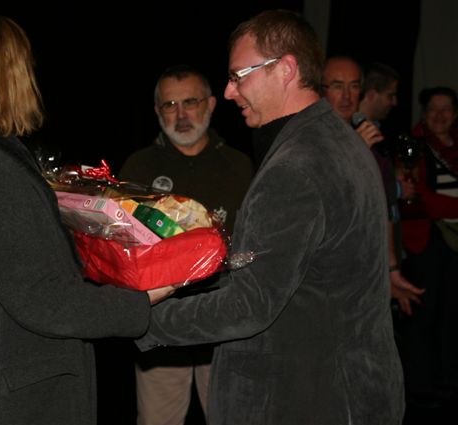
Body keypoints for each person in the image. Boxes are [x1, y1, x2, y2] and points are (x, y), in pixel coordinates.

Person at [135, 10, 405, 424]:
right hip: (353, 388)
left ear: (285, 69)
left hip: (307, 399)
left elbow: (249, 305)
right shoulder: (338, 142)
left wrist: (137, 318)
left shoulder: (295, 167)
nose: (229, 92)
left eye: (238, 76)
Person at [0, 11, 173, 425]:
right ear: (4, 74)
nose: (31, 76)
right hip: (5, 398)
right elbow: (43, 300)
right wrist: (142, 299)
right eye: (25, 65)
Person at [120, 64, 253, 425]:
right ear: (156, 111)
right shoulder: (138, 167)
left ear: (211, 104)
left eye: (190, 102)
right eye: (170, 105)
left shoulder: (239, 165)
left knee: (231, 417)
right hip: (162, 323)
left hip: (225, 321)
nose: (180, 115)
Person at [321, 55, 423, 315]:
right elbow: (324, 202)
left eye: (354, 86)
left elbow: (383, 208)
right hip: (327, 273)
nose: (347, 96)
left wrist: (391, 269)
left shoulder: (365, 135)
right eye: (337, 86)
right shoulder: (311, 138)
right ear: (320, 91)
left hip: (366, 268)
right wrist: (355, 153)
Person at [396, 86, 458, 408]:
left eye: (446, 109)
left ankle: (448, 381)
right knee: (424, 314)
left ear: (455, 114)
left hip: (454, 244)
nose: (440, 115)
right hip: (426, 242)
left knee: (453, 314)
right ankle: (420, 387)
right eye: (433, 109)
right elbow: (416, 198)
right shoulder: (413, 145)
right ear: (424, 113)